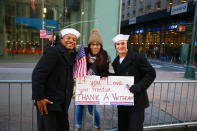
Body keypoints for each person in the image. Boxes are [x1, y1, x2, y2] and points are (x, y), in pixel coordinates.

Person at [32, 28, 80, 131]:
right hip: (48, 104)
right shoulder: (54, 51)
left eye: (74, 39)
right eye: (68, 38)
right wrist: (39, 98)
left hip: (61, 105)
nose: (71, 41)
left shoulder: (71, 55)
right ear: (62, 39)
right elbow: (38, 74)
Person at [111, 34, 156, 131]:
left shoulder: (138, 57)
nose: (120, 46)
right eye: (117, 44)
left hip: (137, 101)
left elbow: (151, 73)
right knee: (123, 127)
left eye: (122, 43)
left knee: (135, 128)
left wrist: (139, 86)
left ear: (127, 44)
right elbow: (119, 78)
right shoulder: (115, 62)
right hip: (123, 102)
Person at [75, 29, 109, 131]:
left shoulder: (103, 55)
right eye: (93, 44)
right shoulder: (83, 53)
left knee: (91, 108)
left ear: (100, 46)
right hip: (82, 85)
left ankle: (97, 126)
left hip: (93, 87)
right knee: (79, 107)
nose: (95, 46)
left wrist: (104, 76)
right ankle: (78, 126)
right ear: (89, 45)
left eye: (97, 44)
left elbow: (104, 71)